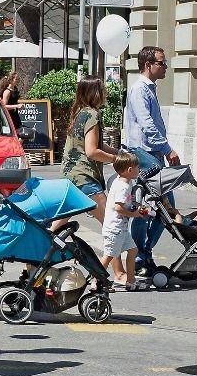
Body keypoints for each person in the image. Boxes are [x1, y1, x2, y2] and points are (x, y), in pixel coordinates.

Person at [57, 77, 122, 278]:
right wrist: (115, 160)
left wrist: (120, 153)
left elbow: (96, 145)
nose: (106, 94)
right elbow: (92, 151)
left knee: (56, 226)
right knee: (112, 225)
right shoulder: (92, 115)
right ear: (94, 93)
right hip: (85, 178)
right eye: (102, 90)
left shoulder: (79, 113)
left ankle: (34, 258)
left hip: (70, 176)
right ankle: (118, 274)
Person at [125, 46, 179, 274]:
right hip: (143, 155)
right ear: (148, 65)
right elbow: (147, 126)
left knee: (161, 208)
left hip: (151, 154)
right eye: (161, 63)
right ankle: (140, 257)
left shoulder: (149, 88)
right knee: (154, 208)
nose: (165, 66)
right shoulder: (139, 89)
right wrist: (168, 149)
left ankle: (143, 254)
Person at [101, 151, 149, 292]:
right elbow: (118, 207)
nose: (139, 170)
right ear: (129, 170)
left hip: (120, 228)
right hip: (115, 228)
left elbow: (125, 204)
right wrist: (133, 214)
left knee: (133, 250)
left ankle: (130, 280)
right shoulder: (123, 186)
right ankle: (95, 281)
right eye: (137, 167)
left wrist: (134, 208)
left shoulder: (123, 180)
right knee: (108, 256)